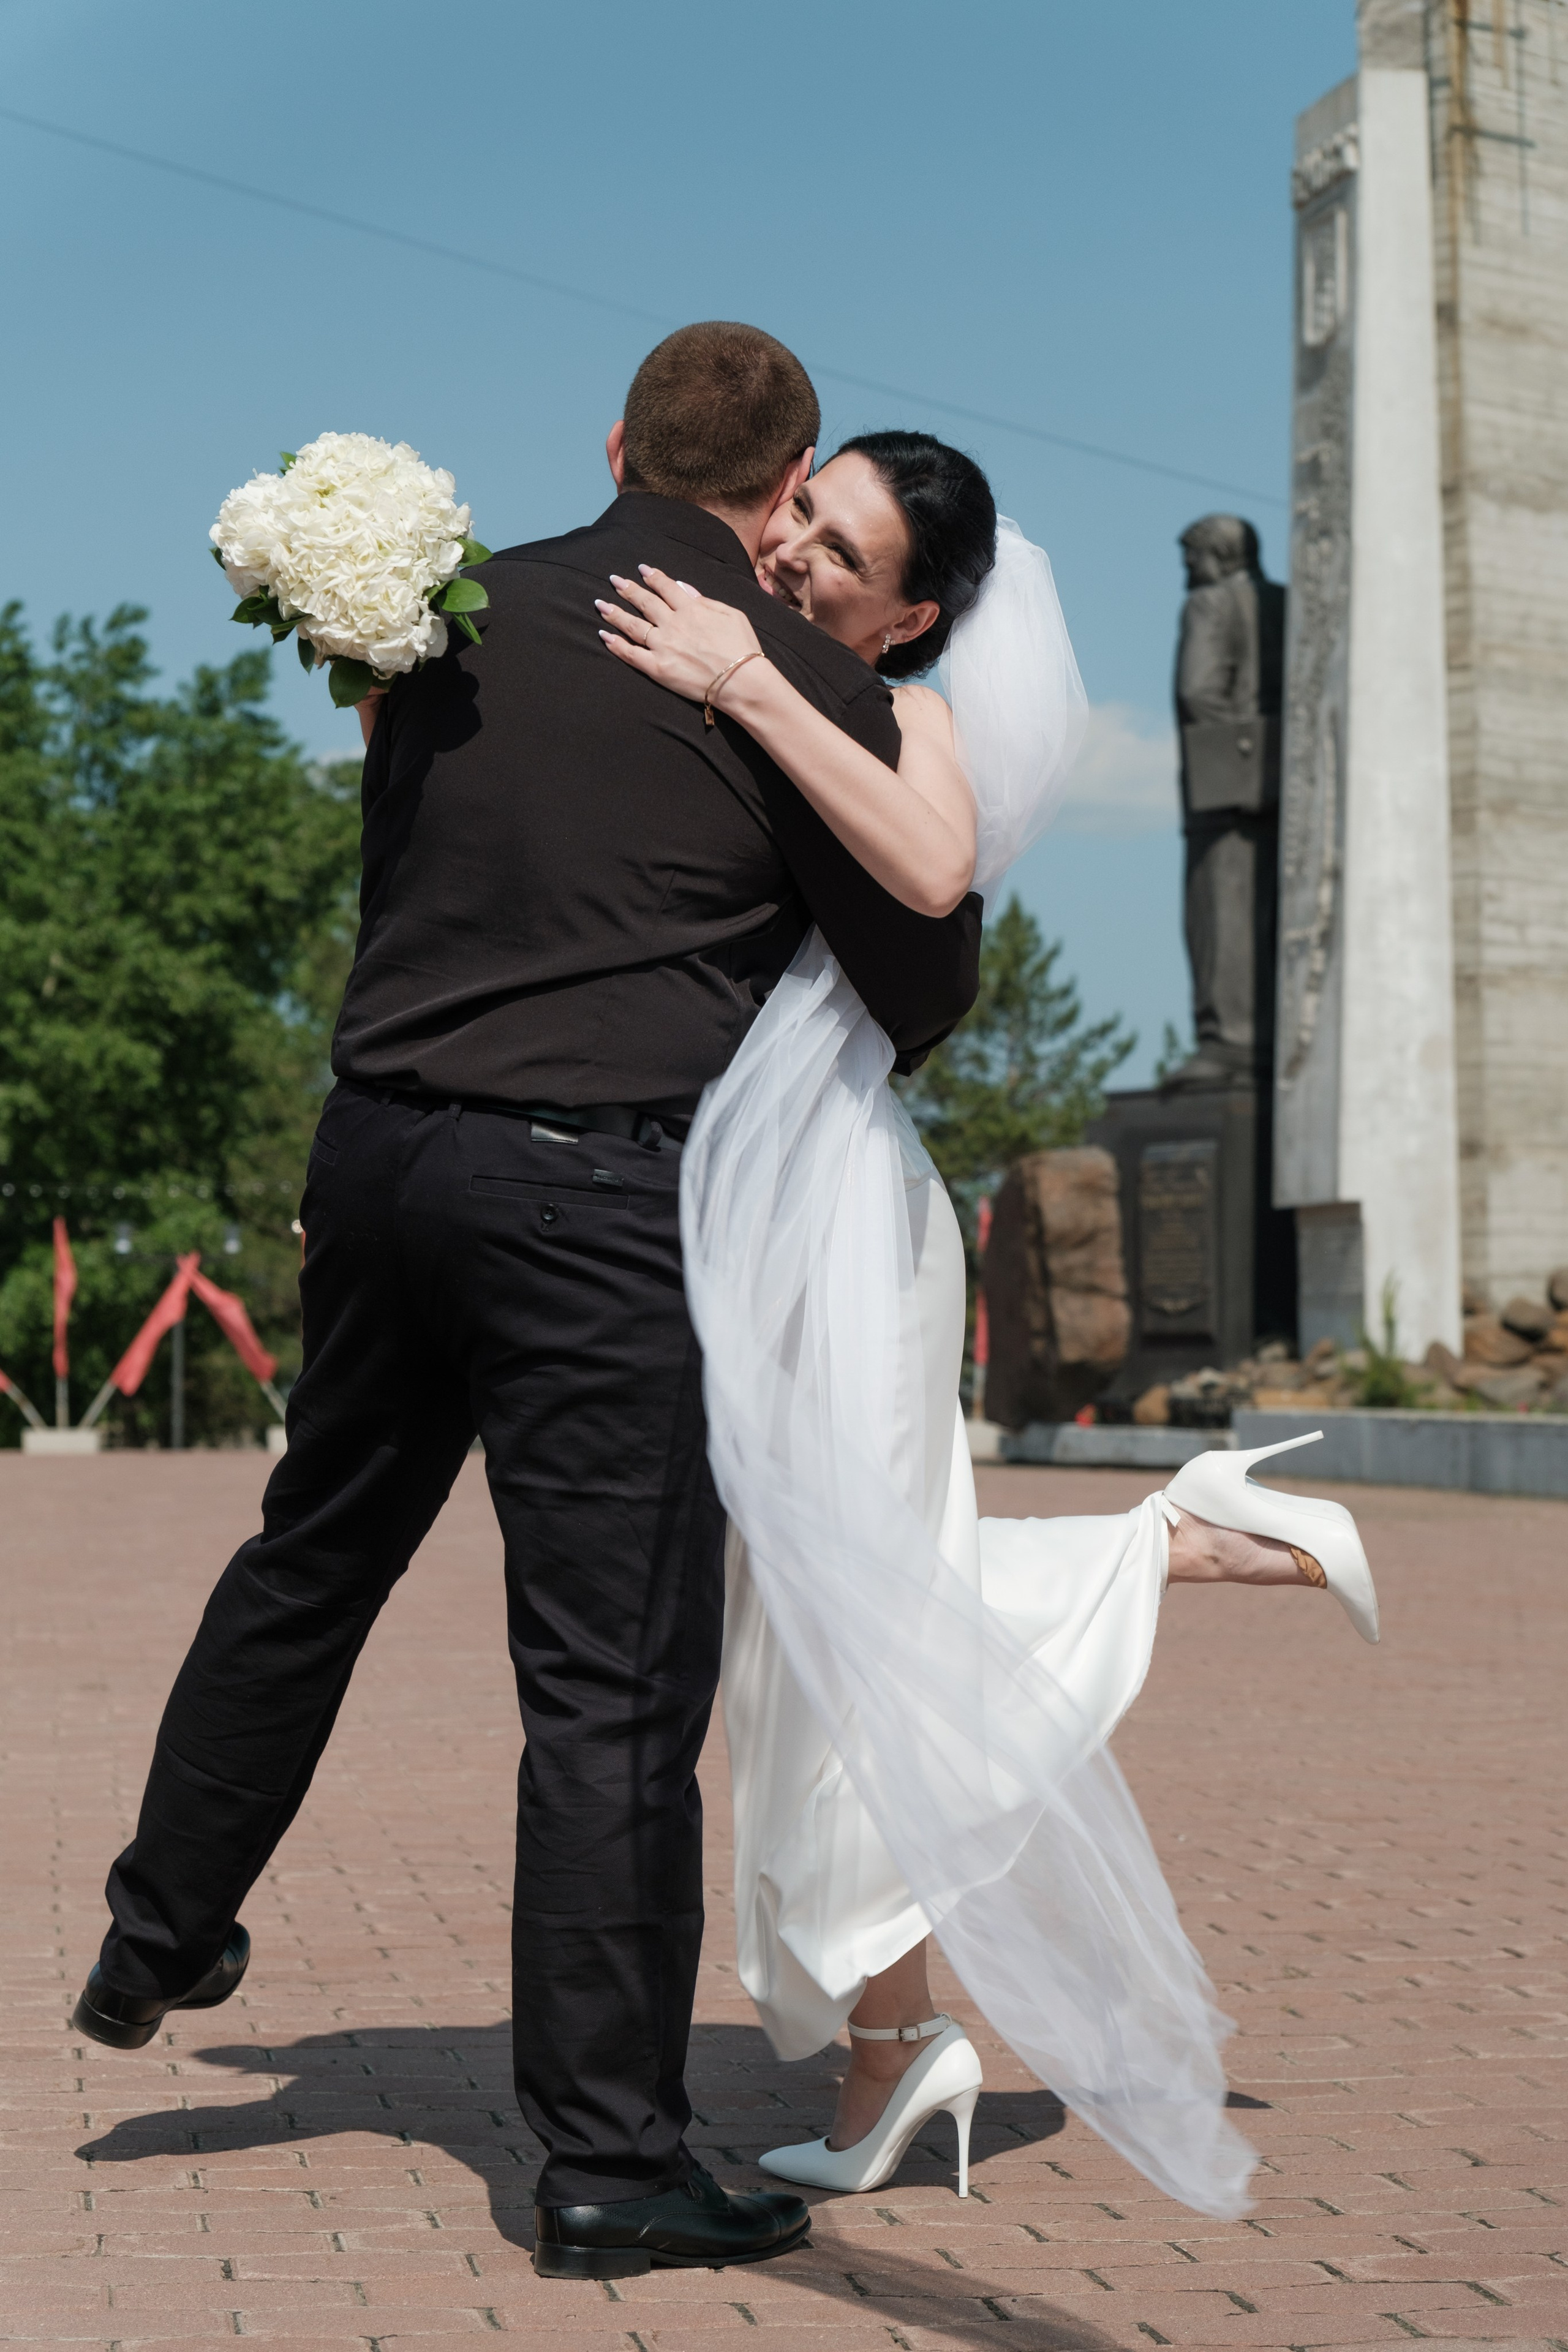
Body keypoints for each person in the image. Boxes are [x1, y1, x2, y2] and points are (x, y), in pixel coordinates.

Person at [66, 325, 987, 2283]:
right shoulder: (797, 682)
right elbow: (922, 971)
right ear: (786, 482)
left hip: (381, 1156)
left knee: (310, 1557)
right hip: (592, 1207)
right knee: (608, 1692)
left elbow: (410, 851)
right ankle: (608, 2164)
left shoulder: (438, 624)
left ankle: (160, 1925)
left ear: (612, 445)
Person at [595, 432, 1379, 2218]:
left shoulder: (898, 722)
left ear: (914, 613)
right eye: (802, 510)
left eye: (842, 552)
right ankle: (898, 2049)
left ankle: (1180, 1532)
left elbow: (934, 877)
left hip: (839, 1221)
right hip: (754, 1208)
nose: (795, 553)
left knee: (851, 1611)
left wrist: (742, 679)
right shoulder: (759, 654)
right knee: (807, 1637)